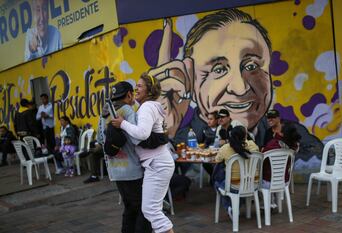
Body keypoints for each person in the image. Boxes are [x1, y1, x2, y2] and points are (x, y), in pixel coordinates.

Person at [148, 9, 272, 148]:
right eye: (218, 70)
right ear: (191, 82)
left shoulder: (293, 136)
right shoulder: (183, 139)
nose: (240, 88)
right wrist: (165, 132)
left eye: (251, 66)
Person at [112, 74, 175, 233]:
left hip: (157, 164)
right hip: (157, 163)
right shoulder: (149, 106)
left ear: (149, 89)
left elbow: (142, 134)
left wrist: (122, 123)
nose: (136, 89)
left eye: (140, 86)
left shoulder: (147, 107)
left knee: (151, 210)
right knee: (151, 209)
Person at [105, 81, 152, 233]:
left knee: (130, 208)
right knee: (142, 209)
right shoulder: (127, 110)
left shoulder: (105, 112)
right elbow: (137, 138)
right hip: (132, 170)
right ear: (129, 94)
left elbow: (101, 139)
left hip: (115, 170)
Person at [213, 125, 259, 219]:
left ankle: (230, 207)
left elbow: (217, 160)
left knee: (217, 181)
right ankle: (235, 207)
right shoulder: (253, 145)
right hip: (252, 183)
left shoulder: (225, 148)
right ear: (245, 136)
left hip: (234, 185)